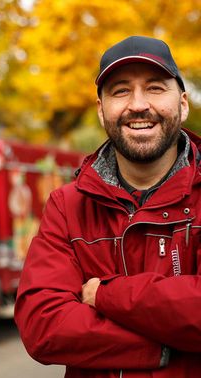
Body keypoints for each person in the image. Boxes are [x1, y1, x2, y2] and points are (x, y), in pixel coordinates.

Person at [14, 35, 201, 378]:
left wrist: (105, 295)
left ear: (183, 104)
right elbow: (43, 326)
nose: (138, 104)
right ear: (102, 110)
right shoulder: (67, 205)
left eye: (156, 88)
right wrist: (165, 345)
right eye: (120, 91)